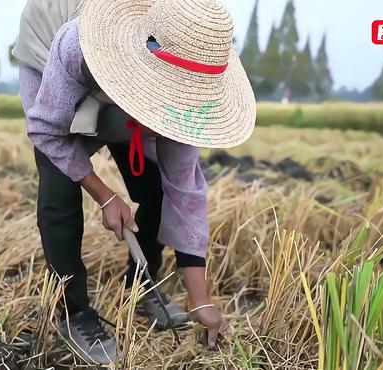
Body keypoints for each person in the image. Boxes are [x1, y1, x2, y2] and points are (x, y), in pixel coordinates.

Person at [13, 0, 256, 364]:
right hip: (54, 59)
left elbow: (184, 191)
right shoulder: (74, 45)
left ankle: (143, 285)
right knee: (59, 192)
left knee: (154, 189)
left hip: (131, 90)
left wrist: (200, 299)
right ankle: (73, 312)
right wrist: (104, 194)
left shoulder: (186, 81)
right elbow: (46, 130)